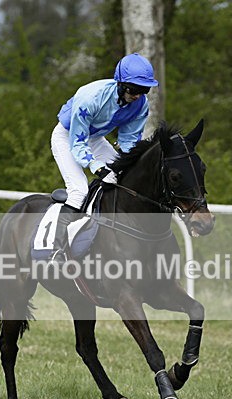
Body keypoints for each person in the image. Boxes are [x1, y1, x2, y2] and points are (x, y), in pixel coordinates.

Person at [49, 52, 158, 262]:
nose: (138, 95)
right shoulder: (89, 98)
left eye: (144, 90)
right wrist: (97, 168)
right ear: (121, 84)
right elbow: (78, 143)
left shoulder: (140, 105)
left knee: (124, 177)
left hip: (95, 138)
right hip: (67, 136)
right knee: (79, 191)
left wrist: (130, 163)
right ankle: (57, 249)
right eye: (134, 89)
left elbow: (128, 142)